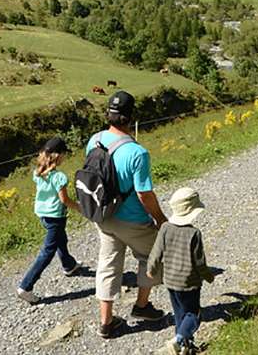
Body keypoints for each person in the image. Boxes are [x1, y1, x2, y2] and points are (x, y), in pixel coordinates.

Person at [87, 90, 168, 338]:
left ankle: (106, 322)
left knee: (109, 264)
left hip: (104, 216)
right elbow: (144, 194)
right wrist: (161, 219)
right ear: (131, 116)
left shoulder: (94, 140)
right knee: (151, 256)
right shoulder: (137, 153)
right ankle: (142, 307)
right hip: (132, 220)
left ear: (108, 115)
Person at [147, 187, 215, 355]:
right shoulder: (194, 234)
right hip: (189, 283)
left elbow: (156, 252)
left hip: (170, 280)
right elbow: (199, 262)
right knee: (193, 315)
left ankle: (185, 347)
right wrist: (208, 276)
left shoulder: (164, 228)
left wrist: (151, 269)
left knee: (180, 315)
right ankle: (178, 340)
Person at [16, 136, 82, 304]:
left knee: (61, 239)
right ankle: (26, 286)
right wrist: (80, 207)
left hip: (43, 215)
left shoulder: (37, 172)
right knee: (48, 251)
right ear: (58, 156)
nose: (65, 158)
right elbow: (64, 200)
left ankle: (69, 265)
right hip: (55, 216)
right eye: (64, 155)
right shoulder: (59, 177)